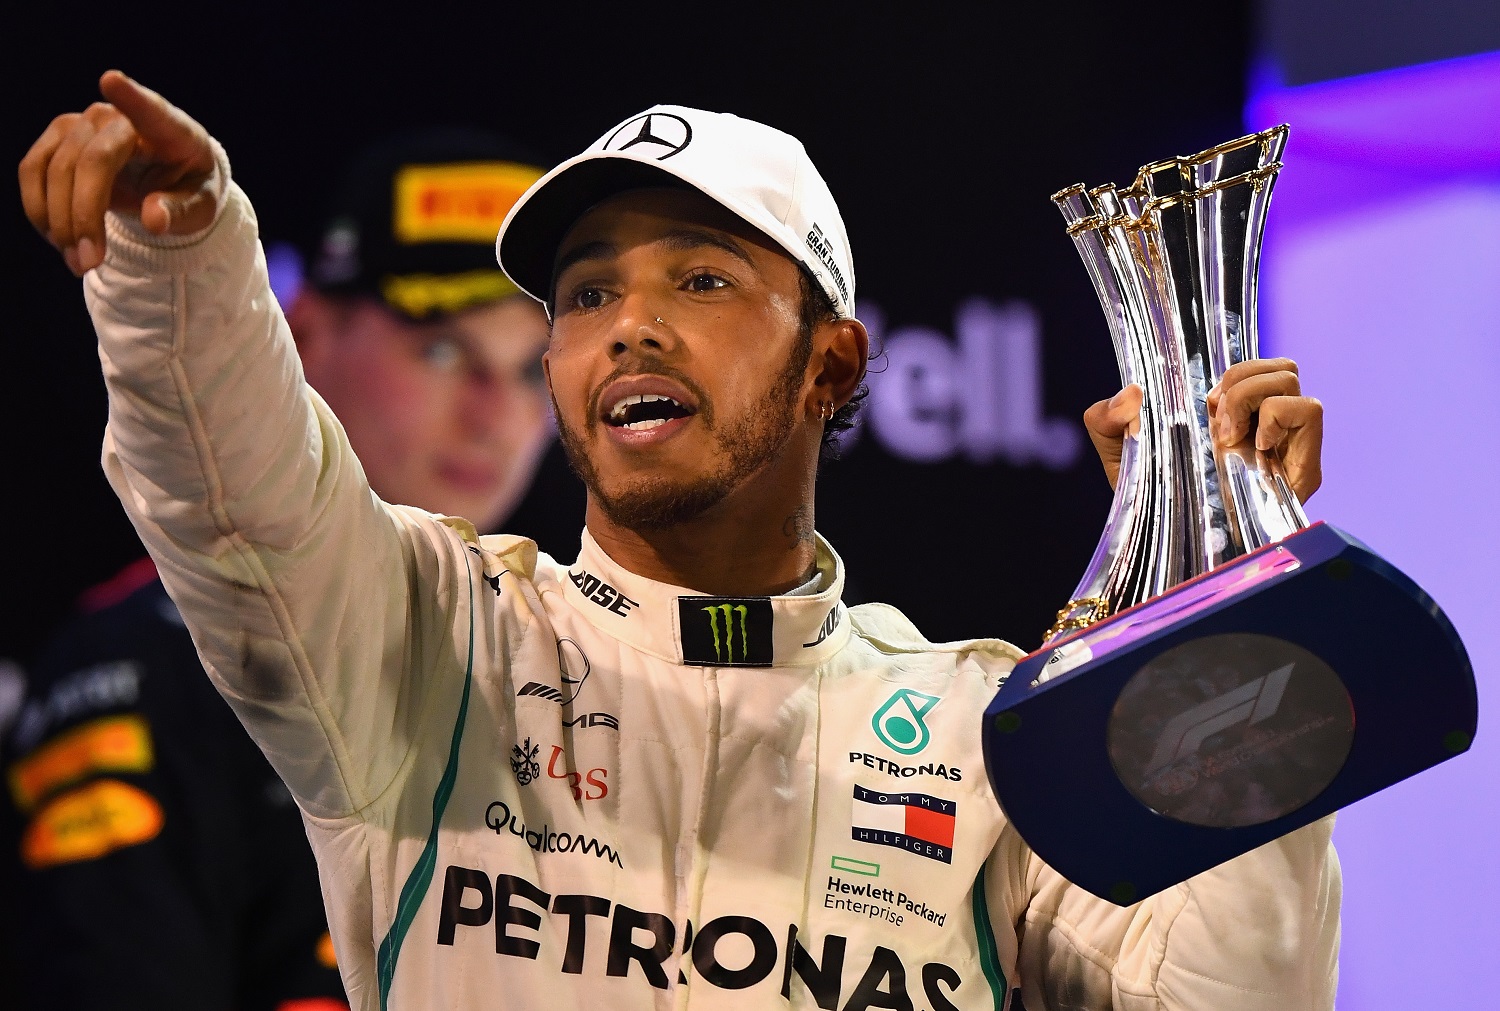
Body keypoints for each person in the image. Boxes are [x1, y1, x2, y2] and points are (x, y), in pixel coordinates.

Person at [19, 71, 1338, 1010]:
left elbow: (1229, 993)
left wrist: (1221, 636)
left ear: (832, 363)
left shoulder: (983, 728)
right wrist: (178, 265)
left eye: (701, 278)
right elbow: (236, 503)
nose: (629, 326)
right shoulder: (433, 641)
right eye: (589, 293)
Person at [6, 121, 553, 1010]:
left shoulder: (571, 672)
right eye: (445, 349)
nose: (496, 415)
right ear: (306, 331)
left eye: (531, 368)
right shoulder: (146, 672)